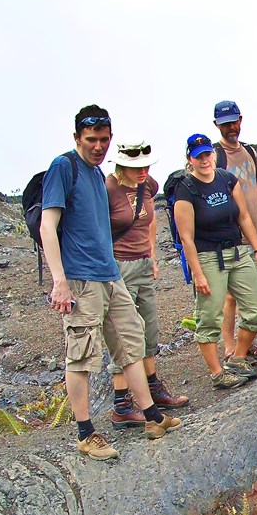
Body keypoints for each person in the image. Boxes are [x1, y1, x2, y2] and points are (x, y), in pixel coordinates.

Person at [41, 105, 181, 460]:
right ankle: (86, 433)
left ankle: (151, 417)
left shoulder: (95, 174)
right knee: (82, 355)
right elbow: (48, 226)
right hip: (81, 279)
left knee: (131, 343)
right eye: (91, 140)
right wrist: (60, 281)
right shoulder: (65, 167)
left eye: (104, 140)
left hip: (109, 274)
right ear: (77, 138)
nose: (98, 146)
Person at [173, 133, 257, 388]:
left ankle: (237, 357)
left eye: (207, 154)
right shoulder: (186, 190)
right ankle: (217, 374)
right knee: (209, 317)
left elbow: (244, 217)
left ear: (213, 154)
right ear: (190, 160)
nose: (205, 160)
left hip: (237, 252)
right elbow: (187, 238)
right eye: (199, 156)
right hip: (207, 257)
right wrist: (198, 273)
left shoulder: (227, 180)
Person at [106, 140, 188, 428]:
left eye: (145, 165)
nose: (142, 170)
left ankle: (153, 387)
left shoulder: (148, 185)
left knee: (149, 327)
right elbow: (97, 228)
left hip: (142, 262)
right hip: (119, 265)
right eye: (135, 167)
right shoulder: (108, 189)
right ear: (121, 166)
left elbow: (151, 222)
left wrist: (152, 255)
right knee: (126, 331)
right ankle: (121, 403)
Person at [212, 99, 257, 362]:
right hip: (231, 236)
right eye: (226, 124)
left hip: (254, 232)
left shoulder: (250, 151)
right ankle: (230, 347)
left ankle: (247, 343)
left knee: (251, 291)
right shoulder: (216, 155)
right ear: (217, 125)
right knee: (230, 295)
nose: (231, 128)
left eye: (234, 122)